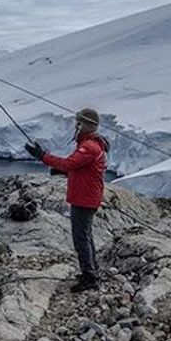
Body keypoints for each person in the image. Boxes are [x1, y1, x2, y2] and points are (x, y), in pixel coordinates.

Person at [25, 108, 109, 292]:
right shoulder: (92, 145)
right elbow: (78, 167)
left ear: (83, 124)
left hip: (84, 198)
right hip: (87, 196)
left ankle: (90, 278)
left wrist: (42, 156)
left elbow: (70, 163)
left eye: (77, 123)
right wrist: (64, 171)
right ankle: (92, 270)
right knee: (86, 235)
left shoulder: (89, 147)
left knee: (80, 238)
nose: (75, 126)